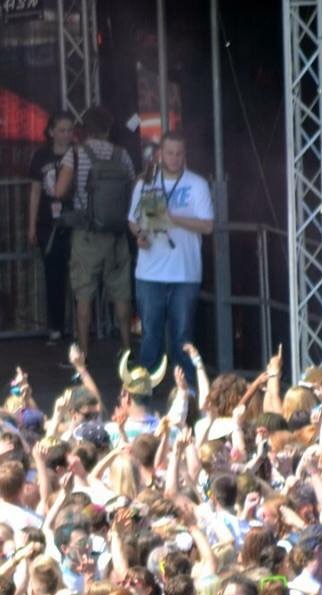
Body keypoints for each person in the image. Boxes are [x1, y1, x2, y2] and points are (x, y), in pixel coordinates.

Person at [127, 133, 213, 391]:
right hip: (150, 272)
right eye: (170, 153)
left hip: (185, 273)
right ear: (160, 154)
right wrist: (139, 235)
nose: (174, 159)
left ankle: (187, 394)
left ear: (184, 155)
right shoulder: (145, 184)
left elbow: (207, 226)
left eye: (179, 154)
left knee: (182, 337)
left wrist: (174, 218)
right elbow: (133, 220)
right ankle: (142, 396)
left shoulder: (197, 184)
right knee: (150, 336)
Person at [52, 105, 137, 356]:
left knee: (84, 295)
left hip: (87, 234)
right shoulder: (122, 155)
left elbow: (58, 191)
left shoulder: (75, 155)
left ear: (83, 130)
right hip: (117, 234)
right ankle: (126, 349)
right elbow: (133, 191)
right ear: (109, 128)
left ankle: (84, 354)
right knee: (121, 294)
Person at [27, 110, 77, 344]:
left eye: (70, 130)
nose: (67, 134)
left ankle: (80, 326)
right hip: (49, 222)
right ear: (51, 132)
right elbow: (35, 191)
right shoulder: (41, 156)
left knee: (79, 276)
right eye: (62, 130)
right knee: (53, 276)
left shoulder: (78, 153)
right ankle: (55, 327)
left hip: (75, 219)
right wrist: (31, 226)